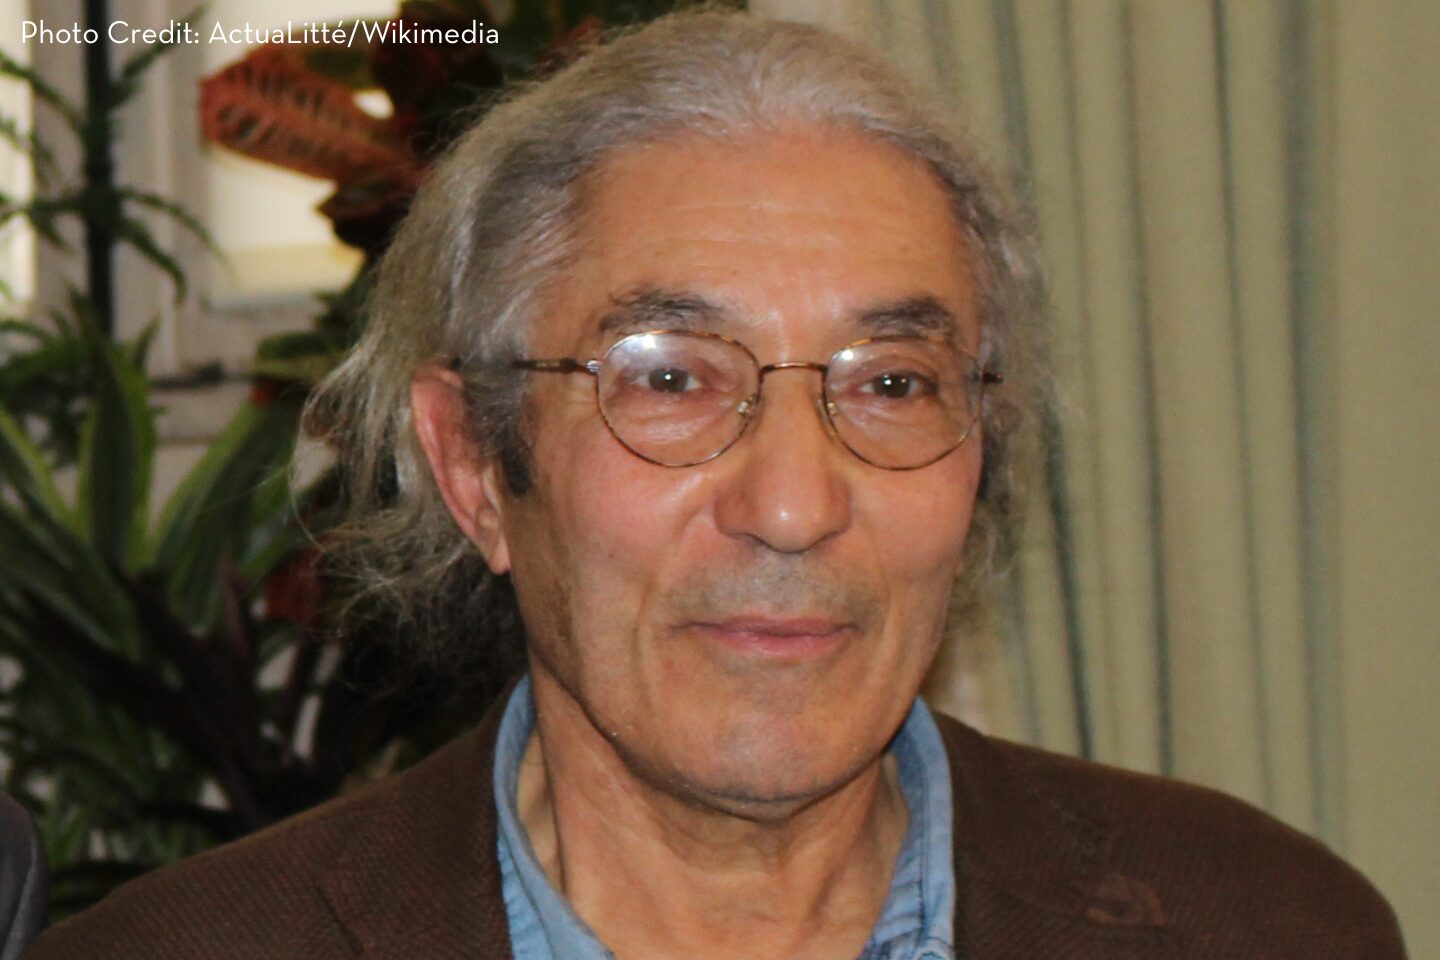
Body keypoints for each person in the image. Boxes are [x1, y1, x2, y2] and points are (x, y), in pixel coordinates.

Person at [24, 10, 1406, 960]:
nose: (796, 504)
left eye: (890, 382)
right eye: (670, 378)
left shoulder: (1268, 924)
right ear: (473, 469)